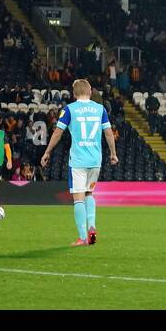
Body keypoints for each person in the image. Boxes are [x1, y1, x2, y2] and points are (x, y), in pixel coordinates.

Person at [40, 79, 118, 247]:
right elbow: (109, 133)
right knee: (89, 193)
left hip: (78, 161)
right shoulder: (100, 109)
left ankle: (83, 237)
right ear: (89, 92)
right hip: (95, 160)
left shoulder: (69, 109)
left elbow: (57, 134)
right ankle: (92, 226)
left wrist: (47, 152)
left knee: (78, 199)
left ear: (74, 94)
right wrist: (113, 153)